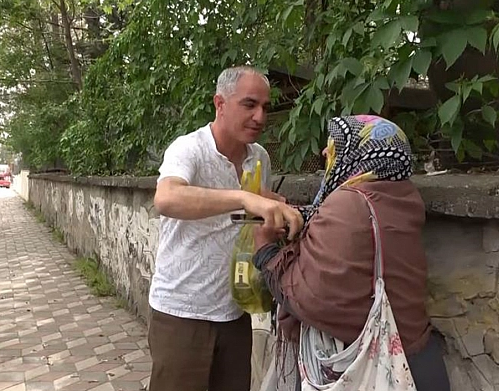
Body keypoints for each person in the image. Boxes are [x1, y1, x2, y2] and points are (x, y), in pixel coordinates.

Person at [252, 115, 451, 391]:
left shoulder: (348, 204)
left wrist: (265, 251)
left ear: (356, 153)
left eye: (335, 144)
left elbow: (307, 297)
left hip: (363, 369)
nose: (325, 152)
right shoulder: (402, 195)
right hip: (414, 359)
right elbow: (346, 233)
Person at [148, 65, 304, 391]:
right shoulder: (189, 149)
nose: (260, 117)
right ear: (220, 104)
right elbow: (167, 198)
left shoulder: (259, 158)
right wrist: (245, 198)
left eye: (265, 107)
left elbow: (248, 225)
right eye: (249, 105)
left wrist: (272, 213)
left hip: (235, 311)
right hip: (183, 312)